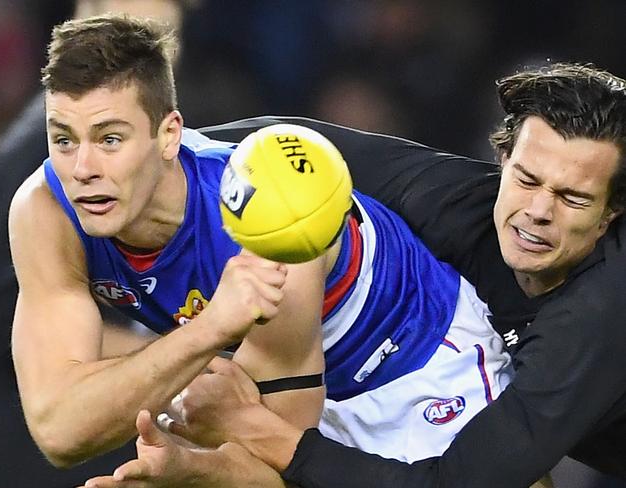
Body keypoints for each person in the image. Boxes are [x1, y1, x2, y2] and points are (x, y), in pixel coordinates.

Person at [10, 13, 513, 487]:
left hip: (413, 352)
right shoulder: (45, 210)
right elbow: (58, 431)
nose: (82, 169)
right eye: (64, 139)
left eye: (110, 139)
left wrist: (196, 470)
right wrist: (212, 331)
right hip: (260, 366)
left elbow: (291, 462)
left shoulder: (266, 216)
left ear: (169, 135)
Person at [86, 64, 626, 488]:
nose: (538, 210)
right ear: (501, 159)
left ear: (611, 214)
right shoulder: (457, 204)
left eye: (573, 197)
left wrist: (261, 431)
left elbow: (460, 483)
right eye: (528, 179)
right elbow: (285, 148)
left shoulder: (596, 314)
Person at [0, 1, 192, 486]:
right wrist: (189, 352)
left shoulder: (152, 133)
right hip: (22, 448)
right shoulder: (42, 158)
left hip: (113, 428)